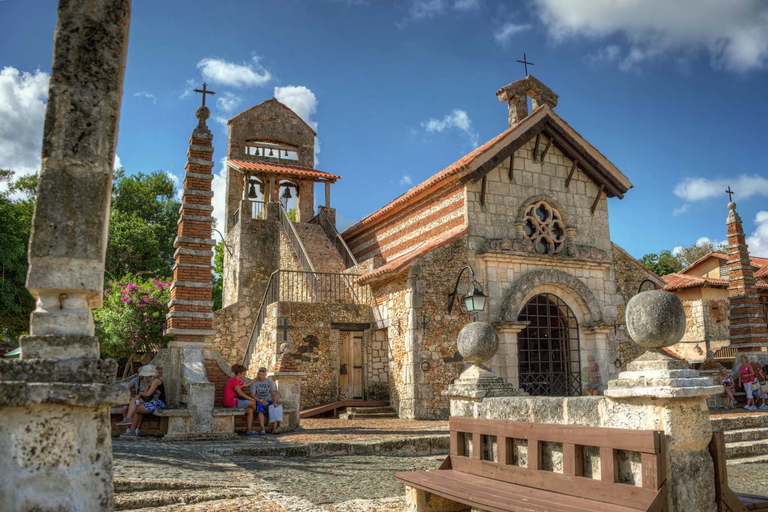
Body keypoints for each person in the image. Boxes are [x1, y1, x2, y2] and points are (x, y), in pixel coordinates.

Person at [117, 364, 166, 436]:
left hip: (158, 403)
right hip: (150, 401)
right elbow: (145, 393)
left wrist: (139, 394)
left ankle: (131, 427)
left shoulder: (156, 380)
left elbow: (148, 394)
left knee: (135, 409)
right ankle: (129, 425)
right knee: (134, 404)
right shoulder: (149, 381)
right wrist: (139, 396)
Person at [223, 364, 258, 435]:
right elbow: (240, 393)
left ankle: (249, 430)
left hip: (233, 402)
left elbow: (247, 384)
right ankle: (256, 415)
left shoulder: (238, 381)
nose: (244, 375)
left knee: (250, 411)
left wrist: (254, 379)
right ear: (239, 373)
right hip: (231, 402)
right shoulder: (234, 380)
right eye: (243, 374)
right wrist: (250, 398)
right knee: (253, 403)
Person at [249, 367, 280, 435]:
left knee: (275, 408)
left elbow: (274, 393)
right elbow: (252, 395)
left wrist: (275, 401)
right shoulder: (254, 383)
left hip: (268, 400)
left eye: (262, 375)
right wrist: (261, 400)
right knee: (260, 409)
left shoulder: (270, 382)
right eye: (259, 374)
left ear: (265, 374)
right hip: (259, 400)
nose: (260, 376)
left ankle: (274, 429)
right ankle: (262, 429)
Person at [120, 363, 149, 429]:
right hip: (136, 399)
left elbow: (147, 394)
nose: (140, 374)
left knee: (137, 409)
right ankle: (128, 427)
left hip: (145, 399)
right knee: (125, 408)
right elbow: (126, 387)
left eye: (141, 372)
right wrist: (128, 396)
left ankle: (136, 429)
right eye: (138, 373)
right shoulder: (136, 380)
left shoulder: (149, 381)